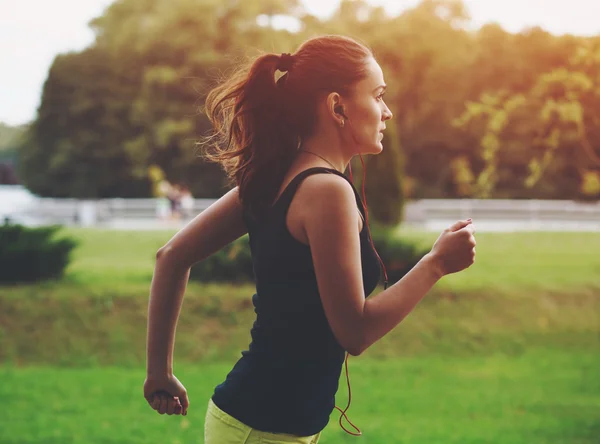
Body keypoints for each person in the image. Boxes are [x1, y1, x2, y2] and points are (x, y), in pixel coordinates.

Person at [143, 35, 476, 443]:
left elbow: (172, 256)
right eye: (377, 96)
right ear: (337, 106)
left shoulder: (275, 174)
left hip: (260, 423)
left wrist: (159, 373)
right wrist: (436, 264)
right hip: (264, 431)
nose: (387, 112)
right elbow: (354, 331)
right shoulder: (326, 191)